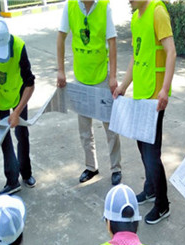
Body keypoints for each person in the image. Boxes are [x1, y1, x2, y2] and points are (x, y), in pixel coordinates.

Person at [113, 0, 176, 225]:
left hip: (154, 99)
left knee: (152, 153)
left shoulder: (157, 13)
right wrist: (123, 86)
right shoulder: (136, 18)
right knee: (142, 147)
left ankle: (163, 204)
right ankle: (150, 189)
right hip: (140, 95)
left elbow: (171, 52)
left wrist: (165, 89)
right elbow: (135, 57)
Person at [57, 0, 122, 186]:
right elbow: (60, 37)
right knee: (85, 129)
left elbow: (112, 42)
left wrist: (113, 76)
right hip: (81, 78)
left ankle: (116, 168)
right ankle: (91, 166)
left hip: (101, 78)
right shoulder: (70, 7)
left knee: (111, 128)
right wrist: (61, 70)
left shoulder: (104, 7)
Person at [0, 16, 37, 195]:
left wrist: (17, 112)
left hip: (19, 91)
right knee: (4, 138)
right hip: (0, 96)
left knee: (22, 133)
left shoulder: (19, 47)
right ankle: (12, 181)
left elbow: (30, 83)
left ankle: (26, 174)